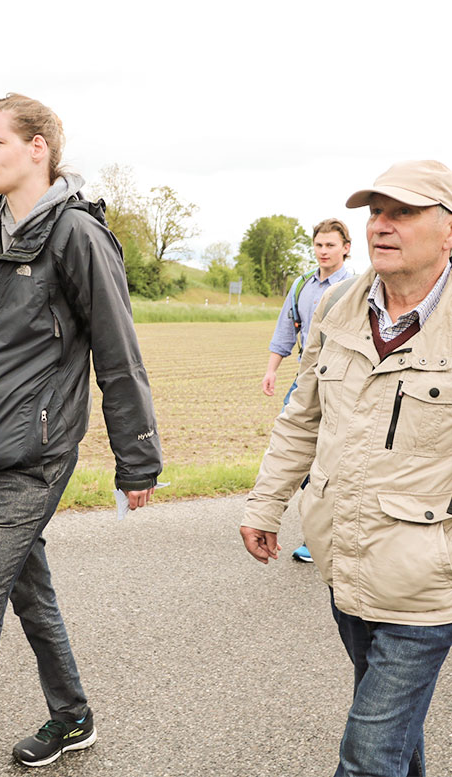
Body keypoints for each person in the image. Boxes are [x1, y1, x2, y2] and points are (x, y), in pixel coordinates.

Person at [0, 93, 162, 776]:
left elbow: (119, 351)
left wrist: (138, 464)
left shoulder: (77, 234)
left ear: (38, 147)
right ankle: (72, 716)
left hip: (37, 457)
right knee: (28, 592)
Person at [241, 159, 452, 777]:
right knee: (392, 737)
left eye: (404, 213)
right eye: (376, 212)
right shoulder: (338, 305)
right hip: (346, 565)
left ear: (449, 231)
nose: (382, 226)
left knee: (365, 757)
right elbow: (301, 417)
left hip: (428, 584)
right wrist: (265, 504)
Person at [261, 218, 352, 562]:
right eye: (319, 245)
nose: (324, 251)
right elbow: (285, 330)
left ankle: (326, 536)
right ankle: (318, 531)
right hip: (305, 381)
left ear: (346, 247)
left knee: (335, 459)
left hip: (344, 382)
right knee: (297, 455)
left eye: (331, 245)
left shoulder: (357, 287)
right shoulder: (301, 286)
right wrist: (272, 371)